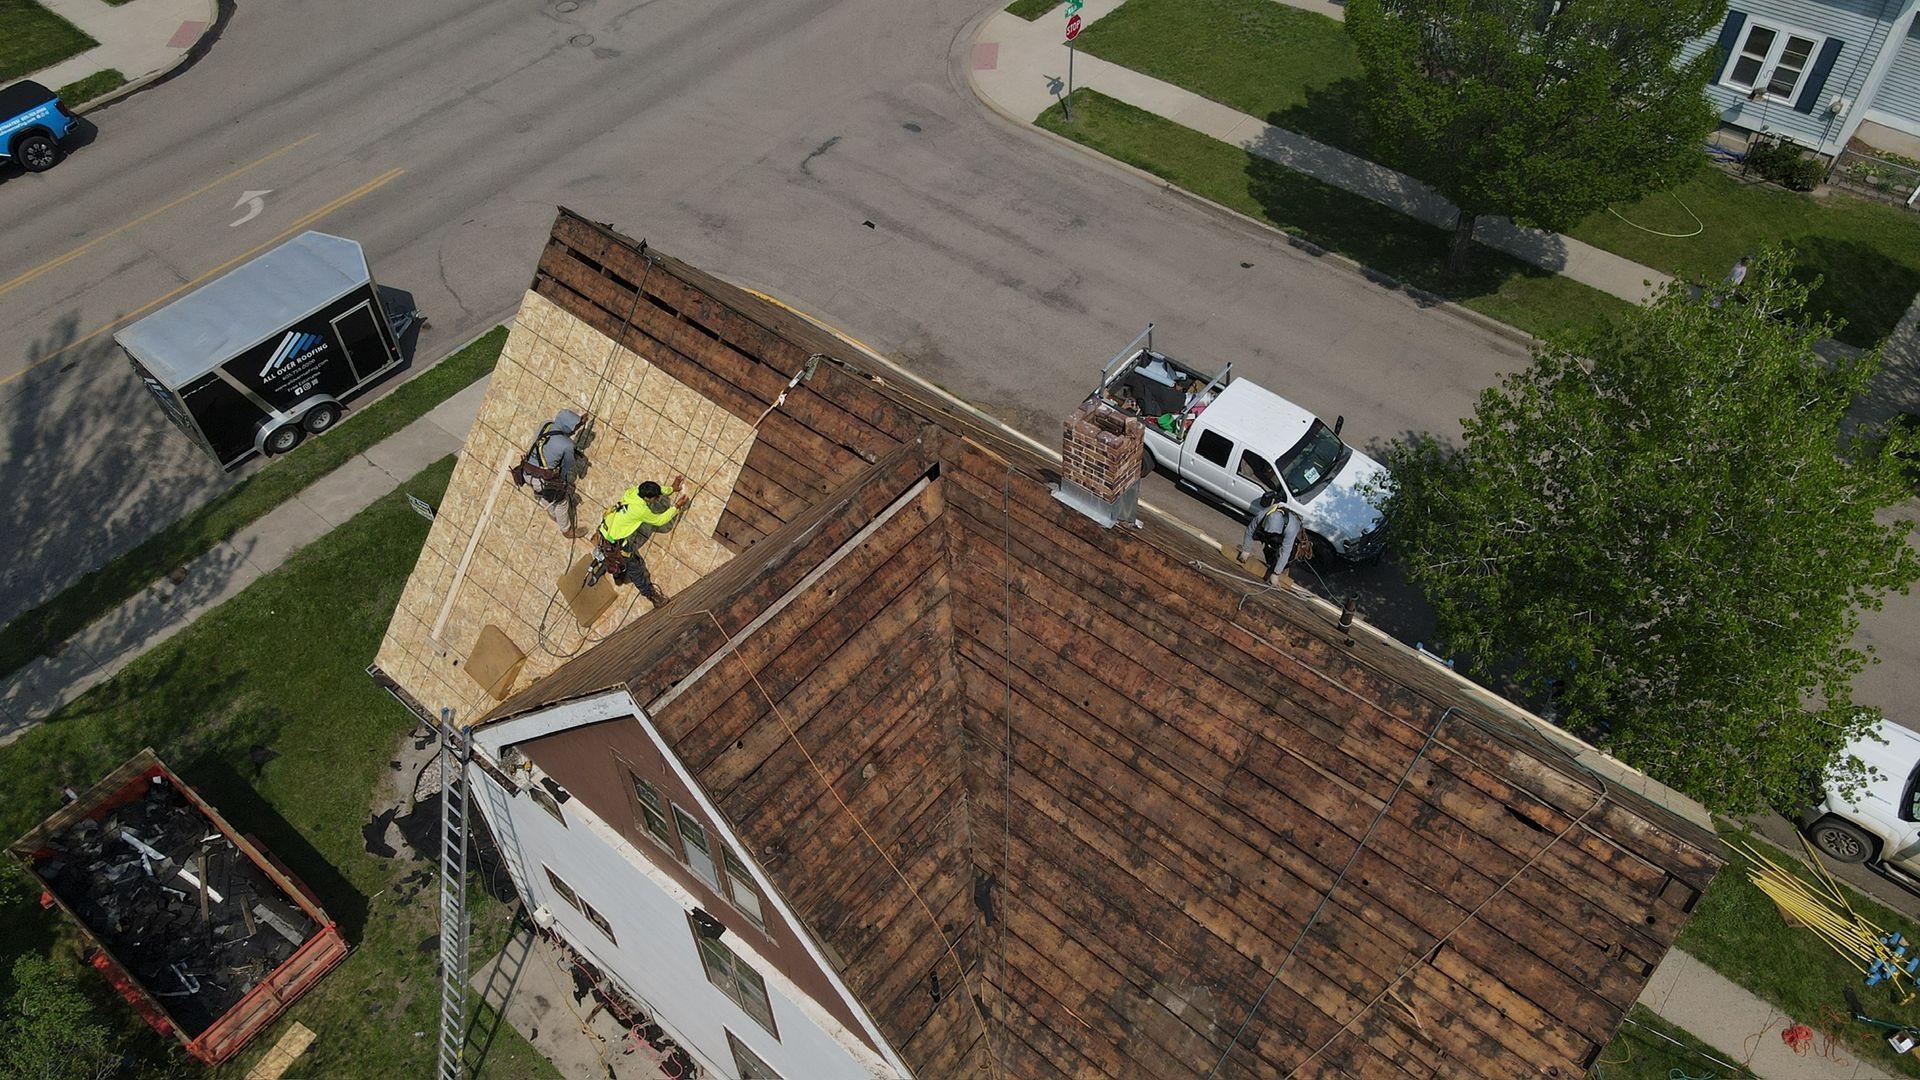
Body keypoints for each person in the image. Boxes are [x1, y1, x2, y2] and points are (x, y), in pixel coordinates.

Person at [590, 477, 691, 603]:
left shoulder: (633, 492)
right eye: (656, 498)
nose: (658, 499)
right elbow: (660, 521)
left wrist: (672, 489)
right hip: (615, 544)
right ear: (647, 498)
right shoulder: (641, 510)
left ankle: (617, 574)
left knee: (613, 558)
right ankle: (652, 596)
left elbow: (656, 490)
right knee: (635, 570)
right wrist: (676, 507)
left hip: (604, 532)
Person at [511, 409, 591, 537]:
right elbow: (568, 465)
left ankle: (552, 512)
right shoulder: (567, 444)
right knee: (561, 500)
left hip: (526, 472)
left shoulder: (546, 424)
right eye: (574, 427)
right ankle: (566, 530)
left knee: (542, 494)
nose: (575, 430)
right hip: (541, 480)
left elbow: (556, 436)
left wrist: (580, 422)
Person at [1238, 489, 1305, 586]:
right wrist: (1245, 551)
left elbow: (1285, 551)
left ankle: (1281, 569)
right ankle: (1271, 563)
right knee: (1269, 552)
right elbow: (1249, 531)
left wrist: (1276, 574)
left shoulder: (1292, 528)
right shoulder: (1261, 516)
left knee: (1288, 556)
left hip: (1288, 537)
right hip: (1271, 533)